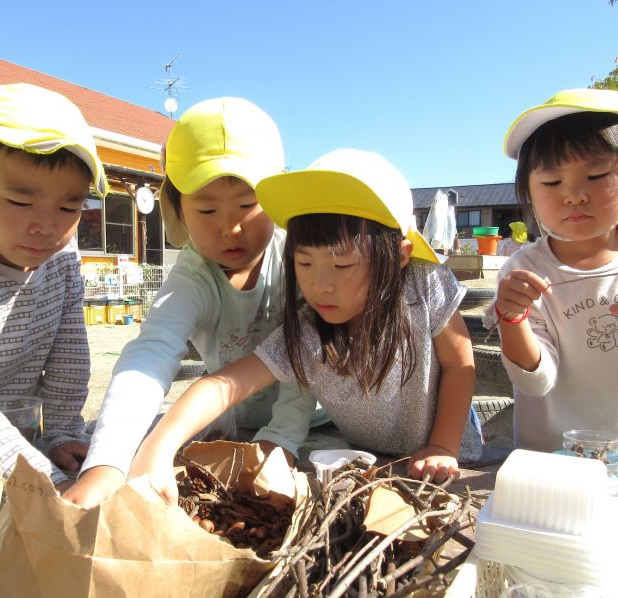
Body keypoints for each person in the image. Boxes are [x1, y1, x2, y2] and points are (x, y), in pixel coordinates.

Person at [128, 149, 484, 503]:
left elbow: (460, 363)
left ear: (400, 256)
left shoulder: (423, 285)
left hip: (447, 454)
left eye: (342, 265)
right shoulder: (309, 332)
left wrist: (442, 444)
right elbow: (223, 385)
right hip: (372, 458)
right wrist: (160, 444)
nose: (320, 285)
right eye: (304, 263)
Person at [64, 97, 323, 508]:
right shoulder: (192, 276)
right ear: (178, 210)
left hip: (316, 424)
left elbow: (307, 355)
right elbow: (149, 355)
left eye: (247, 204)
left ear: (277, 201)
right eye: (206, 208)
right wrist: (107, 463)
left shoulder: (301, 260)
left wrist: (282, 439)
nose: (230, 227)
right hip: (231, 422)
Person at [0, 82, 108, 531]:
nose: (45, 227)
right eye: (20, 201)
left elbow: (70, 353)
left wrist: (61, 432)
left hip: (21, 446)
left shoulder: (62, 259)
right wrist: (45, 479)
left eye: (70, 206)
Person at [487, 88, 618, 452]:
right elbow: (537, 381)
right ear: (528, 193)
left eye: (596, 176)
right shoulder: (524, 270)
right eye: (551, 182)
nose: (574, 195)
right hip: (550, 459)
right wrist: (511, 316)